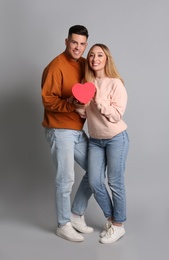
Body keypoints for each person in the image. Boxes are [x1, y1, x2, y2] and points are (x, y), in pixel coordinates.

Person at [41, 25, 93, 242]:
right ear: (66, 42)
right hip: (59, 129)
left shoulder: (83, 64)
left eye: (82, 44)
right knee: (66, 179)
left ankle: (76, 214)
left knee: (96, 169)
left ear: (85, 44)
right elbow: (48, 100)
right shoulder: (55, 66)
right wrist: (71, 104)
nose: (77, 47)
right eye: (74, 42)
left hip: (77, 130)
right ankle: (63, 224)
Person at [76, 43, 129, 244]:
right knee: (95, 181)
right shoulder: (85, 83)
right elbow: (85, 114)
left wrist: (99, 101)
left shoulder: (115, 83)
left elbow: (116, 115)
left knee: (115, 182)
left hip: (117, 139)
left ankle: (118, 226)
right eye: (91, 55)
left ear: (106, 58)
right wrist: (80, 106)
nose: (95, 59)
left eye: (99, 55)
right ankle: (111, 219)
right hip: (96, 141)